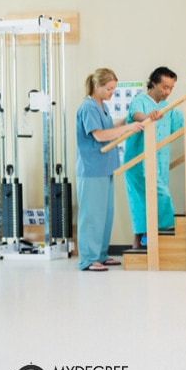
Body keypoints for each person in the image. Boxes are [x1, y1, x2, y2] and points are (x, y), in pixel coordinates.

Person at [76, 68, 144, 271]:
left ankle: (101, 255)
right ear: (97, 86)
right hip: (91, 170)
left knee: (105, 214)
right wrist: (127, 129)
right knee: (91, 215)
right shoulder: (88, 107)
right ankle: (88, 259)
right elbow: (100, 135)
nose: (111, 93)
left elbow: (109, 126)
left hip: (105, 168)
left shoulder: (102, 106)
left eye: (114, 89)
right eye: (109, 89)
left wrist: (127, 121)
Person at [123, 66, 184, 249]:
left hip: (160, 164)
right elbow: (136, 115)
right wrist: (148, 117)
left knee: (147, 200)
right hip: (138, 162)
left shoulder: (167, 107)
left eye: (171, 88)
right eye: (165, 87)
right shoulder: (140, 100)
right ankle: (161, 235)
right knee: (149, 198)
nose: (168, 91)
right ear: (153, 83)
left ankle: (140, 243)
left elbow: (183, 123)